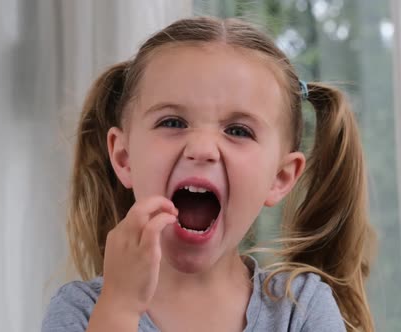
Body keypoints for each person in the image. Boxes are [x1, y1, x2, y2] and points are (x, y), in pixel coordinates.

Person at [42, 16, 375, 332]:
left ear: (281, 178)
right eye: (172, 122)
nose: (201, 148)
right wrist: (119, 308)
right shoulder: (82, 310)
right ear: (125, 157)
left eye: (238, 130)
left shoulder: (300, 308)